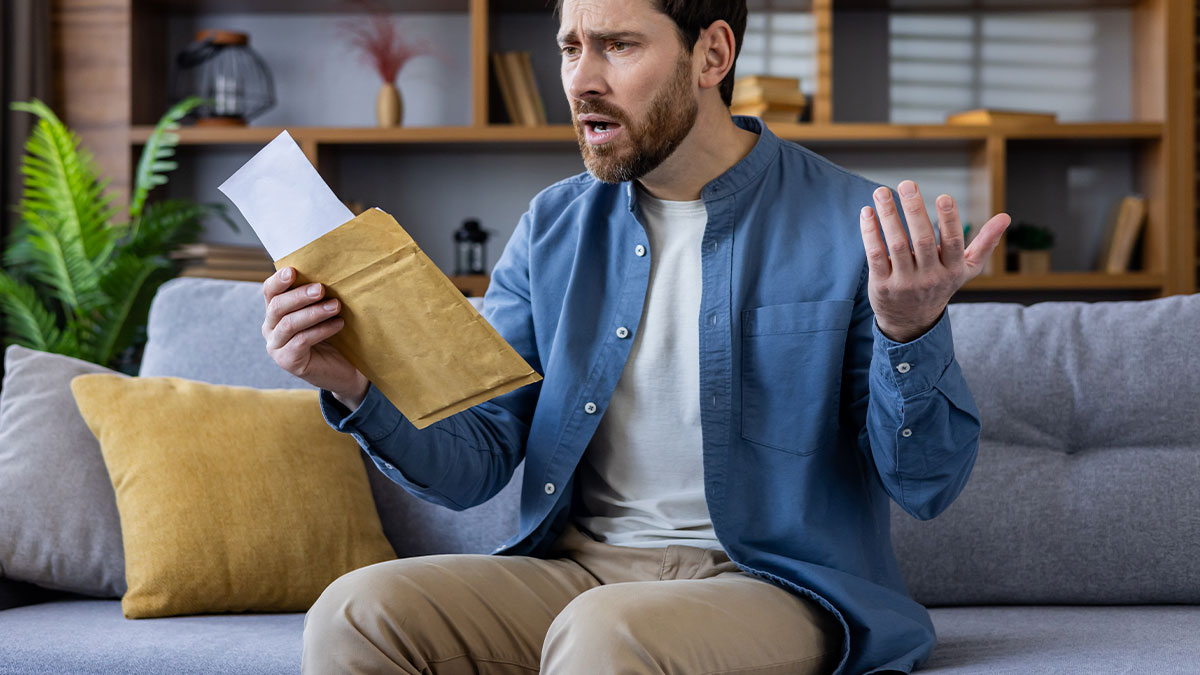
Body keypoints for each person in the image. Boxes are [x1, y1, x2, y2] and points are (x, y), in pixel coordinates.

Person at [261, 0, 1011, 672]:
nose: (581, 80)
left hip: (775, 584)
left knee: (605, 633)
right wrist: (352, 381)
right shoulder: (551, 227)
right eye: (569, 47)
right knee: (355, 612)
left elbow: (928, 485)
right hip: (583, 572)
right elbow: (476, 464)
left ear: (711, 56)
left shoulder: (852, 223)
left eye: (616, 46)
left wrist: (911, 329)